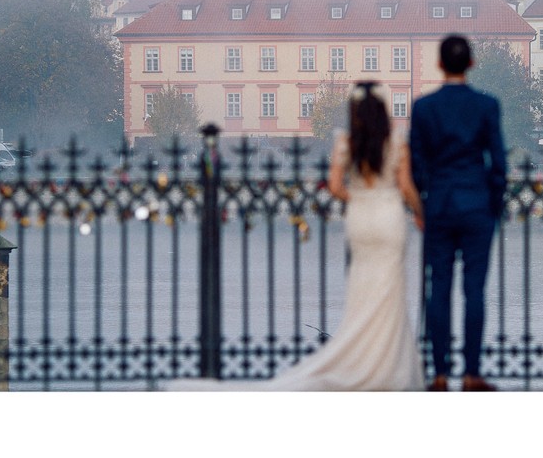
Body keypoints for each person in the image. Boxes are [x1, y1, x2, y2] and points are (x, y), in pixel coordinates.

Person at [168, 81, 424, 391]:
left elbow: (334, 186)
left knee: (363, 288)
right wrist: (419, 211)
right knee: (389, 290)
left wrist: (357, 198)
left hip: (361, 217)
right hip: (387, 217)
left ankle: (358, 361)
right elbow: (407, 186)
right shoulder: (396, 142)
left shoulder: (347, 142)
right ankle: (386, 367)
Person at [409, 34, 506, 392]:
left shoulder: (423, 108)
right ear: (470, 64)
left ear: (439, 64)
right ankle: (471, 372)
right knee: (474, 291)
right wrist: (493, 203)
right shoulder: (486, 105)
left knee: (440, 290)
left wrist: (422, 204)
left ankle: (438, 373)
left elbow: (417, 163)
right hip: (476, 203)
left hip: (440, 205)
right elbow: (498, 161)